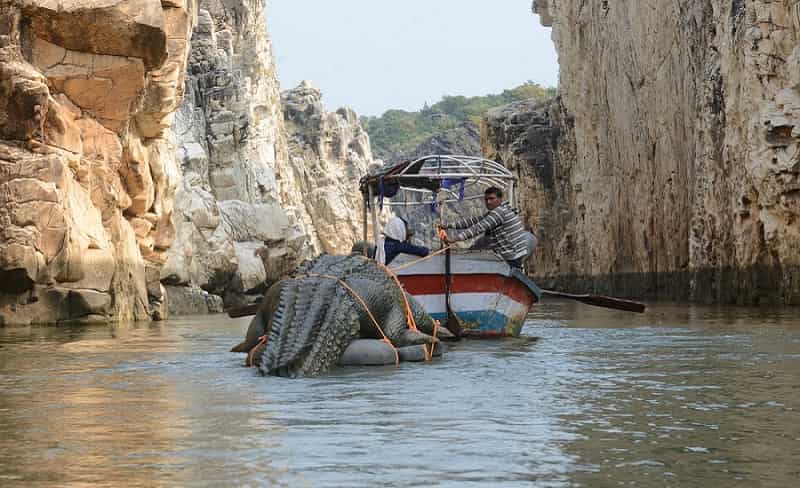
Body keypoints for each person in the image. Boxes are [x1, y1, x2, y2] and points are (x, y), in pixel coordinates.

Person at [441, 186, 530, 269]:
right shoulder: (499, 211)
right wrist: (449, 225)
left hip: (512, 256)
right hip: (514, 253)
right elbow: (473, 221)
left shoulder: (499, 212)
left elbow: (479, 228)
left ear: (500, 199)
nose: (488, 202)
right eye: (486, 199)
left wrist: (455, 239)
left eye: (491, 199)